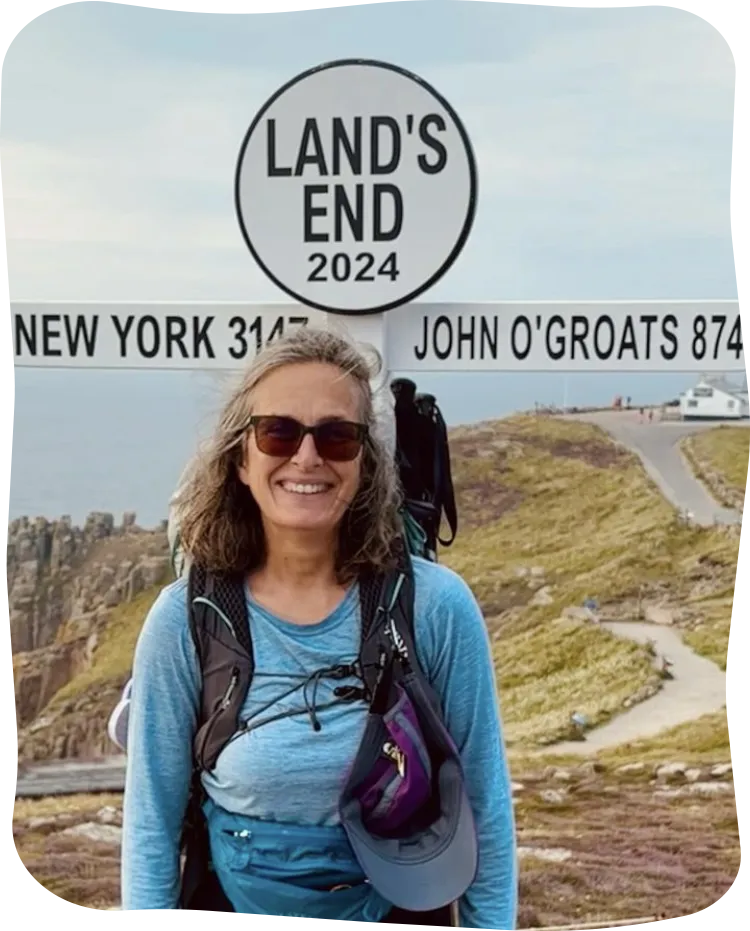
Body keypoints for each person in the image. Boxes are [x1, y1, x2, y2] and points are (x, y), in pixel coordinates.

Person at [120, 326, 517, 931]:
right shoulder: (185, 621)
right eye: (277, 431)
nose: (306, 457)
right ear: (241, 457)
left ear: (364, 462)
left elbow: (484, 803)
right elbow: (151, 822)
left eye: (337, 436)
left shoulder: (435, 606)